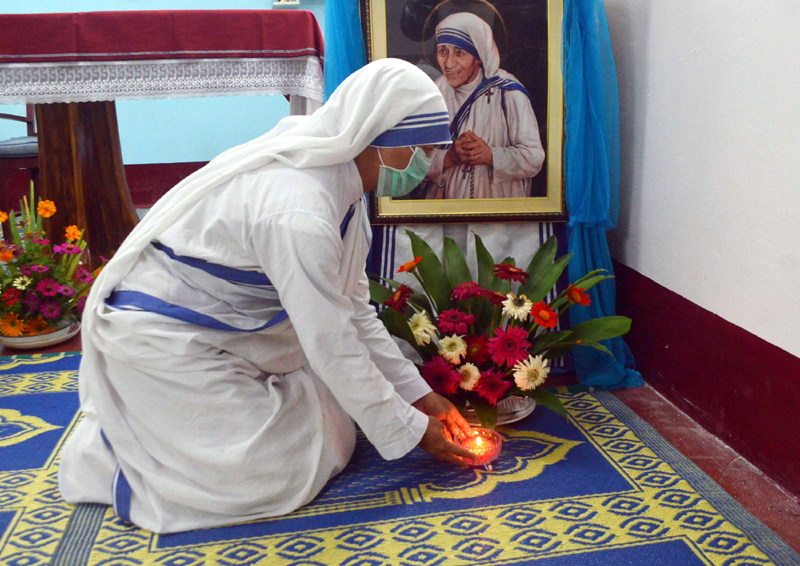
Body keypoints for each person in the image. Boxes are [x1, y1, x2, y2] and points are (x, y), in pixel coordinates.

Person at [58, 59, 476, 534]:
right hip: (167, 341)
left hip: (235, 337)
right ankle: (113, 455)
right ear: (376, 136)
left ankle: (164, 424)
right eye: (421, 148)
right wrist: (412, 430)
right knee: (272, 473)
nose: (425, 163)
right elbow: (331, 341)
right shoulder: (300, 211)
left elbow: (355, 311)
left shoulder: (343, 186)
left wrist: (418, 396)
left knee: (337, 429)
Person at [423, 11, 545, 199]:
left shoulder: (508, 92)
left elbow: (534, 158)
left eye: (459, 53)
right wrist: (448, 158)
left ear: (478, 56)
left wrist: (491, 156)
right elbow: (410, 161)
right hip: (446, 205)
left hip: (498, 204)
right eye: (443, 51)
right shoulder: (434, 93)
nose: (448, 63)